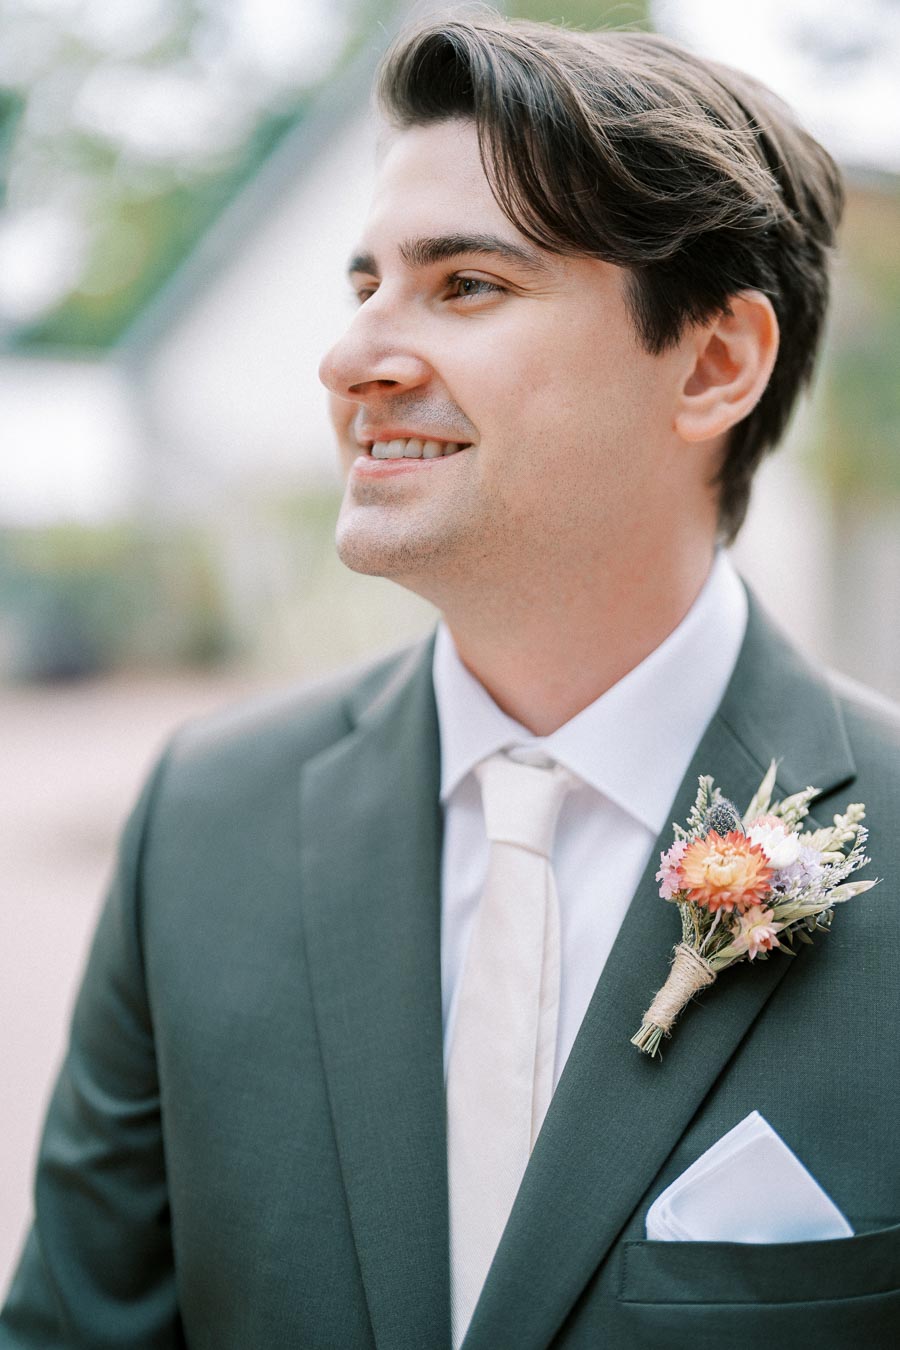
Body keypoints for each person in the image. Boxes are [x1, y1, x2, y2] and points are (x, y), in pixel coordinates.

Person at [3, 13, 899, 1349]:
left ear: (714, 362)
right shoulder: (201, 824)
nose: (352, 355)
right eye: (364, 284)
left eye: (465, 284)